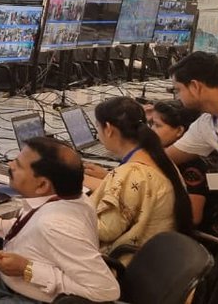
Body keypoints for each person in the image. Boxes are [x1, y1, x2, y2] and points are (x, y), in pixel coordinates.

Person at [0, 137, 119, 304]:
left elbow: (106, 291)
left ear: (42, 185)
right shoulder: (72, 199)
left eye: (19, 165)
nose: (10, 165)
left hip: (34, 296)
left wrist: (27, 269)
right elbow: (32, 232)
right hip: (15, 282)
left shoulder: (55, 225)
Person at [79, 97, 191, 263]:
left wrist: (70, 206)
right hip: (159, 258)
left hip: (130, 264)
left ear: (108, 129)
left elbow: (105, 230)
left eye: (97, 126)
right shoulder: (158, 157)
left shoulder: (131, 173)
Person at [150, 100, 218, 236]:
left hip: (194, 241)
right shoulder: (175, 154)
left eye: (157, 125)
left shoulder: (192, 165)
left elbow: (193, 217)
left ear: (179, 131)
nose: (151, 130)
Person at [166, 52, 218, 165]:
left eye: (178, 90)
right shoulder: (206, 125)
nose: (177, 97)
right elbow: (165, 160)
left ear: (195, 86)